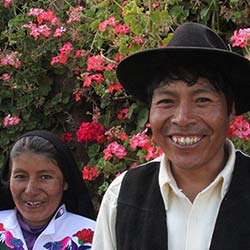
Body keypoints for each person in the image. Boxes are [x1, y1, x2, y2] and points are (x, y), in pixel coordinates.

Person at [92, 22, 250, 250]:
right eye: (167, 101)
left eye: (202, 100)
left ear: (230, 109)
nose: (182, 119)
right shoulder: (122, 197)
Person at [0, 130, 96, 250]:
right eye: (20, 177)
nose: (31, 190)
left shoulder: (94, 238)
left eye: (45, 177)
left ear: (65, 181)